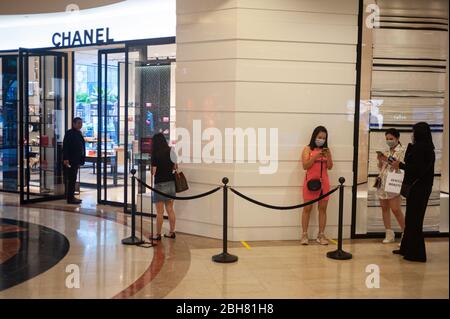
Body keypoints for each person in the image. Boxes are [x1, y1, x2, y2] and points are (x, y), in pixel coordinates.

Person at [390, 122, 435, 262]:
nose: (412, 134)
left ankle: (417, 253)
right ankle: (407, 249)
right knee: (411, 219)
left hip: (419, 189)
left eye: (414, 131)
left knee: (415, 220)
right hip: (419, 188)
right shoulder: (424, 147)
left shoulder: (423, 148)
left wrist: (400, 165)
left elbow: (416, 169)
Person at [300, 126, 333, 245]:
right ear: (314, 136)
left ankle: (321, 234)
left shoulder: (326, 150)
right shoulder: (307, 149)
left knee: (323, 209)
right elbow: (305, 166)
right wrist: (315, 156)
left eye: (324, 138)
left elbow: (330, 167)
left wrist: (328, 155)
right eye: (319, 137)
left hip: (324, 183)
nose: (321, 139)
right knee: (307, 209)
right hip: (310, 182)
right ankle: (304, 234)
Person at [376, 128, 405, 244]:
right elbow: (381, 167)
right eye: (387, 139)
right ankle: (389, 233)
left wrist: (385, 159)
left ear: (397, 139)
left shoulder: (402, 150)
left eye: (391, 139)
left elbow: (397, 165)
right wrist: (380, 160)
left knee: (396, 209)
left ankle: (406, 233)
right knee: (384, 208)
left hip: (394, 182)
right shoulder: (387, 151)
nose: (389, 141)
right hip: (382, 182)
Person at [151, 133, 177, 240]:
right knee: (170, 209)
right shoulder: (171, 151)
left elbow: (153, 172)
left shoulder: (155, 154)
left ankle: (157, 234)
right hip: (171, 183)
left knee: (160, 212)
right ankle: (172, 232)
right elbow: (175, 166)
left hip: (160, 184)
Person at [63, 117, 85, 204]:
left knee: (74, 178)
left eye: (81, 123)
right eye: (78, 123)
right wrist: (66, 158)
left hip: (76, 160)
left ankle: (72, 196)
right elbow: (66, 146)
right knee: (71, 179)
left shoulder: (79, 133)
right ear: (74, 123)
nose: (80, 125)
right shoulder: (69, 133)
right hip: (71, 160)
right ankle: (70, 198)